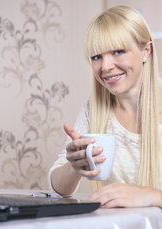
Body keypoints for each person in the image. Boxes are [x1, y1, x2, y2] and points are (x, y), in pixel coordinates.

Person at [48, 5, 162, 208]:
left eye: (118, 51)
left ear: (146, 51)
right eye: (96, 56)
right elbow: (58, 189)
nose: (106, 66)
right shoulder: (93, 109)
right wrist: (75, 166)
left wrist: (152, 196)